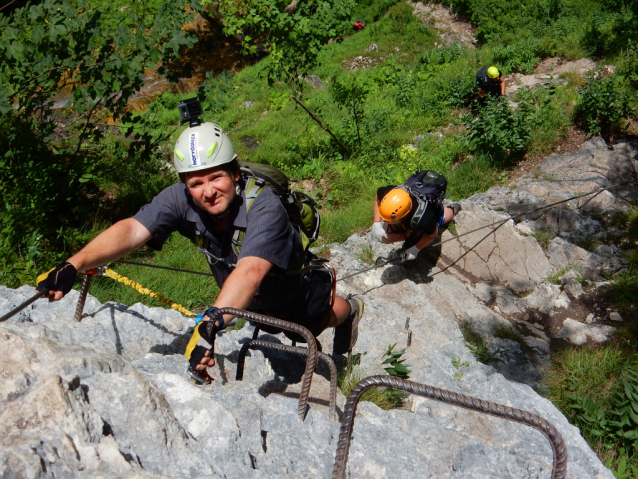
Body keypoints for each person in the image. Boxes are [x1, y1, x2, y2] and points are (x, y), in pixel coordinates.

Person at [37, 121, 364, 384]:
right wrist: (73, 264)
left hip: (291, 288)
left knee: (315, 319)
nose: (207, 191)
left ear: (234, 173)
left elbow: (250, 270)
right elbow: (133, 229)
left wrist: (210, 324)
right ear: (185, 184)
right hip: (244, 297)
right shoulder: (180, 198)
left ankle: (352, 308)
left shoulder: (265, 207)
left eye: (215, 178)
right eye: (195, 183)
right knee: (276, 324)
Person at [373, 179, 460, 261]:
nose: (385, 222)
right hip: (409, 215)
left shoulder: (424, 218)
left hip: (429, 211)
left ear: (403, 215)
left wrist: (415, 249)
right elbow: (377, 198)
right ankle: (410, 234)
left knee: (440, 219)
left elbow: (432, 234)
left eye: (389, 220)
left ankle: (452, 209)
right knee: (386, 238)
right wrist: (377, 223)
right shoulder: (388, 194)